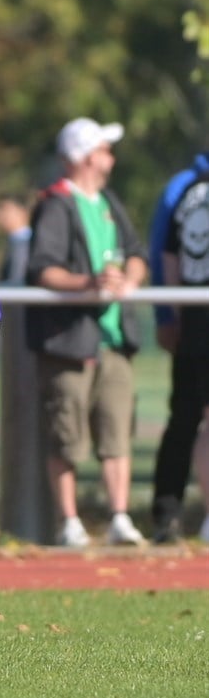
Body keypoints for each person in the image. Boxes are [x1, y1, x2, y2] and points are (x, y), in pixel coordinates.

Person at [25, 118, 147, 547]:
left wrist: (126, 281)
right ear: (85, 156)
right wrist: (89, 284)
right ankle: (69, 522)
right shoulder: (56, 204)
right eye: (104, 149)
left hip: (113, 341)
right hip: (70, 342)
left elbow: (135, 255)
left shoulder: (109, 202)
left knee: (117, 433)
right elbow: (43, 269)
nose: (110, 157)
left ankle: (119, 517)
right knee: (67, 433)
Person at [148, 147, 209, 542]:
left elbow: (164, 255)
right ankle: (171, 515)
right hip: (194, 321)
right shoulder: (185, 188)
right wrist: (168, 316)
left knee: (185, 421)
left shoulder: (185, 188)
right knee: (188, 420)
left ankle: (168, 516)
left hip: (192, 319)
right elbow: (163, 251)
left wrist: (169, 314)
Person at [0, 196, 33, 285]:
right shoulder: (14, 242)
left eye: (4, 209)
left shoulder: (23, 244)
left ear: (22, 212)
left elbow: (17, 281)